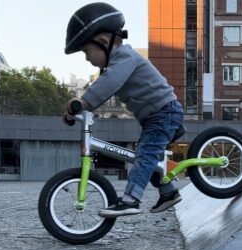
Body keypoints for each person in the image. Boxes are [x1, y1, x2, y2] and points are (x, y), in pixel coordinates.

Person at [63, 2, 184, 218]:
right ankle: (168, 193)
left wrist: (82, 103)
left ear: (103, 42)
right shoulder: (116, 64)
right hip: (154, 117)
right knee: (150, 159)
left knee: (144, 156)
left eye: (86, 51)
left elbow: (109, 83)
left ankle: (130, 200)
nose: (87, 58)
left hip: (164, 112)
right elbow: (105, 86)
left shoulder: (125, 58)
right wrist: (76, 111)